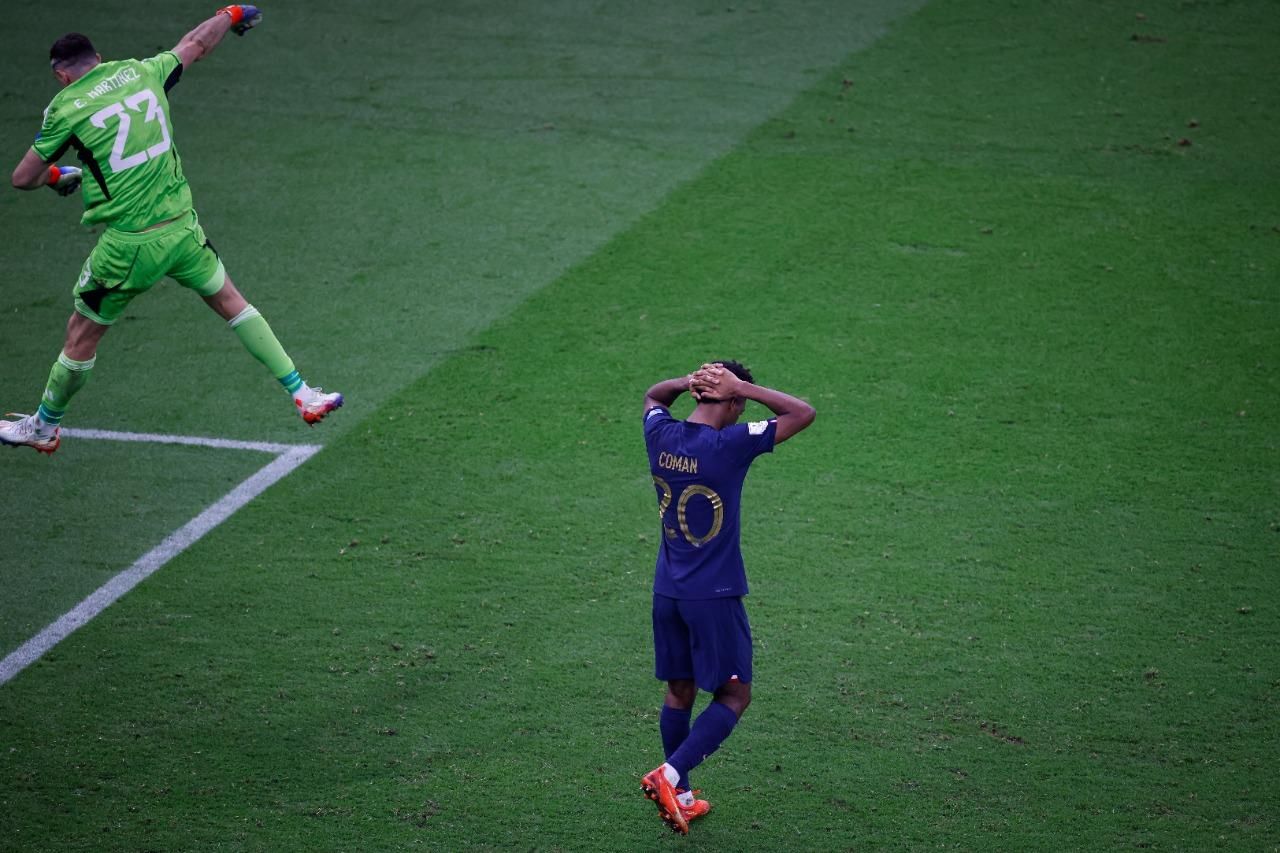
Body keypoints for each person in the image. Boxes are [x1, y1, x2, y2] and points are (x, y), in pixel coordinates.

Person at [2, 6, 342, 455]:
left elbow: (22, 177)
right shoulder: (142, 71)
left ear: (62, 76)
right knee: (232, 303)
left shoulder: (64, 108)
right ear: (98, 58)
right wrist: (232, 13)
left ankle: (44, 427)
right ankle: (303, 394)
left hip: (128, 247)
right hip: (183, 228)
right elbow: (196, 43)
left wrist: (53, 176)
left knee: (81, 334)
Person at [639, 361, 816, 834]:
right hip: (712, 597)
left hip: (667, 591)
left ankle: (683, 795)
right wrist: (745, 386)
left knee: (680, 691)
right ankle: (669, 775)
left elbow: (653, 396)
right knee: (735, 694)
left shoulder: (662, 434)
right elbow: (803, 413)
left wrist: (684, 382)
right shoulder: (729, 445)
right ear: (734, 402)